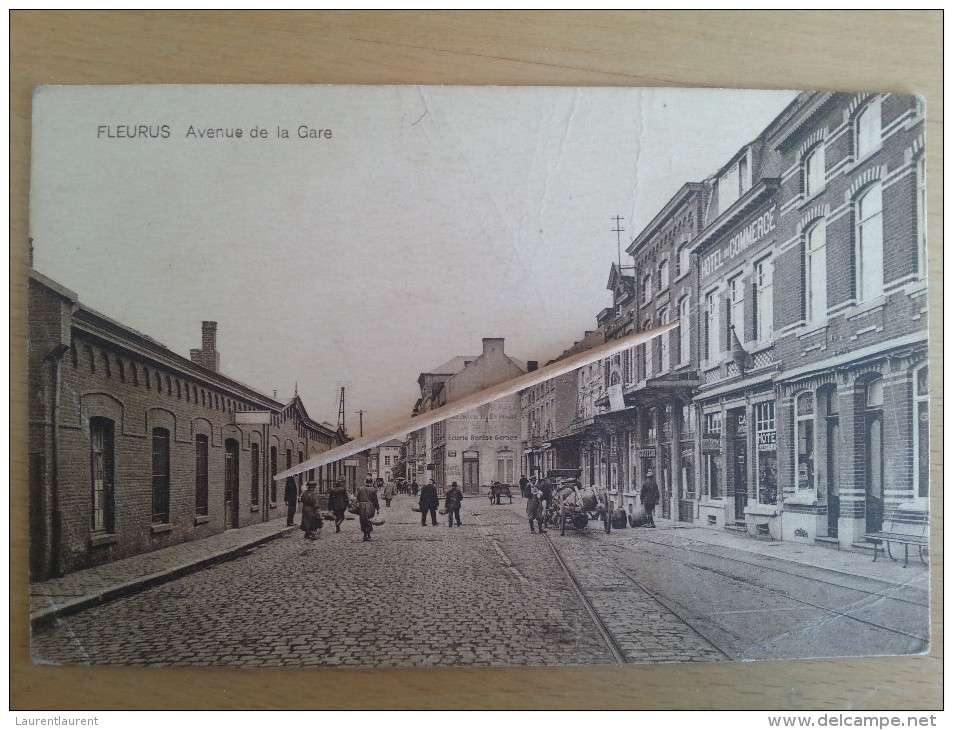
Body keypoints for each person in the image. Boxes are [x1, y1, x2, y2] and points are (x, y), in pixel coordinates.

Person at [356, 476, 380, 541]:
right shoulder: (373, 490)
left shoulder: (361, 489)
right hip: (370, 506)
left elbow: (358, 498)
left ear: (365, 482)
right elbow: (375, 500)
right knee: (369, 520)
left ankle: (364, 534)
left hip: (362, 506)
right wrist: (377, 508)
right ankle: (368, 534)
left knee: (363, 520)